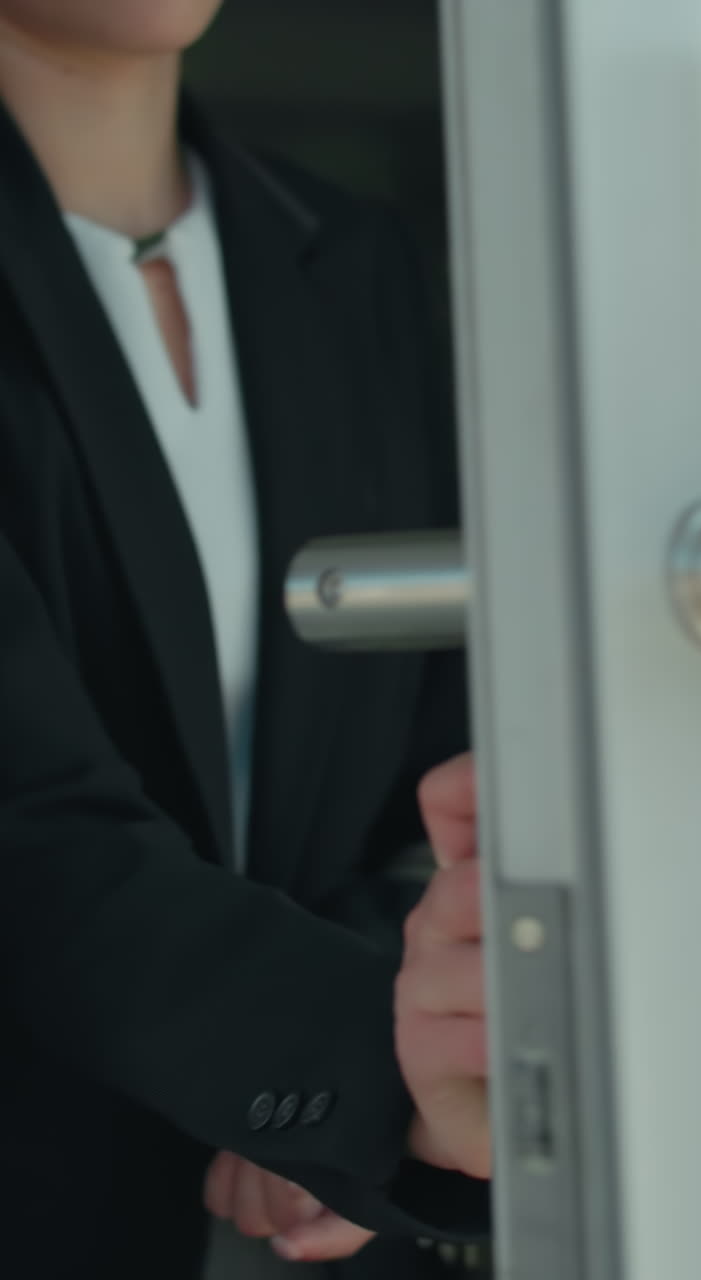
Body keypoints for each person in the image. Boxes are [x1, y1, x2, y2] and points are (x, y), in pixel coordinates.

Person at [0, 2, 489, 1276]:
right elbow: (23, 819)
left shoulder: (348, 255)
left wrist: (373, 1027)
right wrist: (348, 1058)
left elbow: (453, 747)